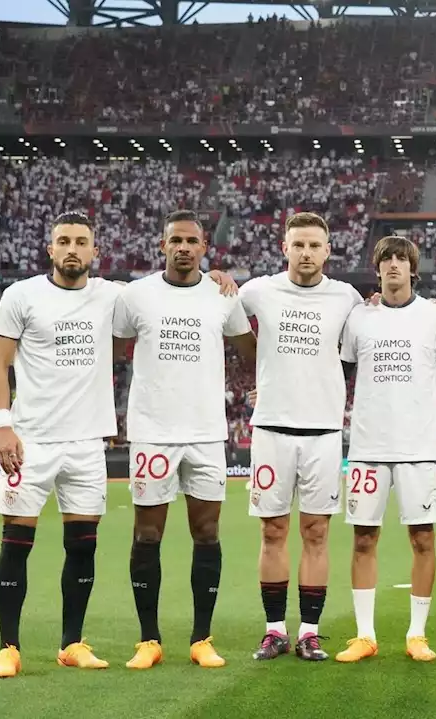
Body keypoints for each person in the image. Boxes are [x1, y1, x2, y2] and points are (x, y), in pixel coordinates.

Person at [0, 211, 236, 679]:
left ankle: (72, 643)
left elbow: (175, 286)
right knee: (16, 542)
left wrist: (215, 277)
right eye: (64, 241)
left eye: (82, 241)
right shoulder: (20, 296)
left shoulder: (116, 296)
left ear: (95, 251)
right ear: (50, 249)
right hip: (32, 438)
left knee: (82, 547)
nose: (73, 249)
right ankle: (9, 646)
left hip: (87, 441)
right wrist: (3, 424)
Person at [116, 210, 257, 670]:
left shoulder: (222, 294)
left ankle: (202, 638)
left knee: (207, 532)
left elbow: (250, 351)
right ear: (162, 246)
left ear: (203, 248)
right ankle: (148, 639)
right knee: (147, 533)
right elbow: (114, 347)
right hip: (153, 433)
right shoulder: (135, 295)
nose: (183, 247)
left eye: (191, 240)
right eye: (174, 239)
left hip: (206, 433)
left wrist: (270, 386)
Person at [241, 212, 364, 662]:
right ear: (285, 247)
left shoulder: (347, 297)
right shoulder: (258, 290)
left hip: (324, 432)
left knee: (316, 531)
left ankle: (309, 631)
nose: (307, 253)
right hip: (271, 428)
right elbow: (221, 320)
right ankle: (274, 630)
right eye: (299, 245)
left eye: (315, 246)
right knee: (273, 531)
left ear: (328, 251)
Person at [335, 236, 436, 663]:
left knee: (422, 539)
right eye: (385, 259)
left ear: (413, 269)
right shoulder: (359, 318)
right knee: (363, 539)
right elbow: (338, 375)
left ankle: (417, 634)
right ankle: (365, 635)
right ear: (377, 269)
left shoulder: (434, 318)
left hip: (418, 449)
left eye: (400, 259)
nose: (393, 265)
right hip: (368, 447)